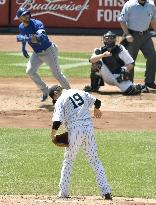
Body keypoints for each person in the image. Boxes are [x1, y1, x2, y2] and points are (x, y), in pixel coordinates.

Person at [49, 85, 112, 200]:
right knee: (95, 160)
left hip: (75, 130)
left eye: (53, 98)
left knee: (69, 161)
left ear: (55, 93)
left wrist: (52, 136)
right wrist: (96, 109)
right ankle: (106, 191)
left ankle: (63, 193)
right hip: (88, 129)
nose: (54, 100)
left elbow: (57, 121)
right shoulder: (79, 92)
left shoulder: (60, 99)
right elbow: (97, 101)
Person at [16, 7, 70, 102]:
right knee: (30, 71)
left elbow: (40, 37)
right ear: (20, 18)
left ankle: (71, 94)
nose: (27, 16)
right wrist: (23, 48)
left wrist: (26, 38)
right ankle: (46, 91)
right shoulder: (21, 26)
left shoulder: (37, 23)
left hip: (49, 51)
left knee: (57, 74)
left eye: (27, 14)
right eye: (24, 15)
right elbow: (23, 35)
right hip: (37, 53)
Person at [84, 30, 148, 95]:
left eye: (111, 39)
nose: (109, 40)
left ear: (115, 40)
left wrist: (123, 71)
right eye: (107, 39)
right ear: (103, 40)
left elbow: (131, 64)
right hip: (106, 75)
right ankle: (94, 86)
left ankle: (139, 87)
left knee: (130, 91)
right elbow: (91, 60)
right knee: (96, 62)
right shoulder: (99, 50)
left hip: (119, 77)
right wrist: (103, 55)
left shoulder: (120, 49)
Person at [118, 0, 156, 89]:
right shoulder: (129, 4)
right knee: (130, 60)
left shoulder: (151, 4)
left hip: (146, 35)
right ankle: (129, 83)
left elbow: (153, 20)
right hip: (132, 35)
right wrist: (127, 34)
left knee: (153, 56)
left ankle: (149, 81)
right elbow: (122, 21)